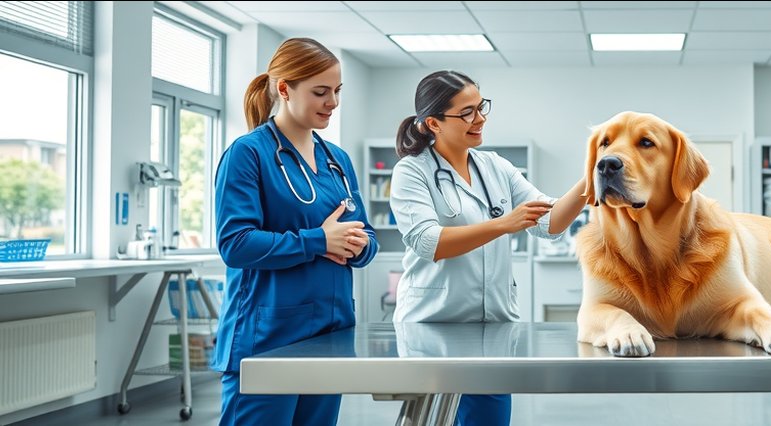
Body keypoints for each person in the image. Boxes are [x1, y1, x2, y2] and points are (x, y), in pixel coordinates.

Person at [389, 70, 587, 426]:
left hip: (492, 327)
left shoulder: (496, 166)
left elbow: (549, 222)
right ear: (433, 122)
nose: (480, 119)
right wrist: (504, 224)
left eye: (481, 108)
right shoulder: (411, 171)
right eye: (467, 112)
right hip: (433, 325)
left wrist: (592, 179)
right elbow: (427, 241)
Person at [212, 37, 377, 426]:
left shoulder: (337, 160)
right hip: (268, 337)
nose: (332, 103)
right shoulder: (248, 153)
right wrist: (319, 241)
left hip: (330, 334)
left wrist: (358, 245)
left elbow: (367, 235)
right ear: (284, 89)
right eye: (320, 92)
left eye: (336, 91)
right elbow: (236, 244)